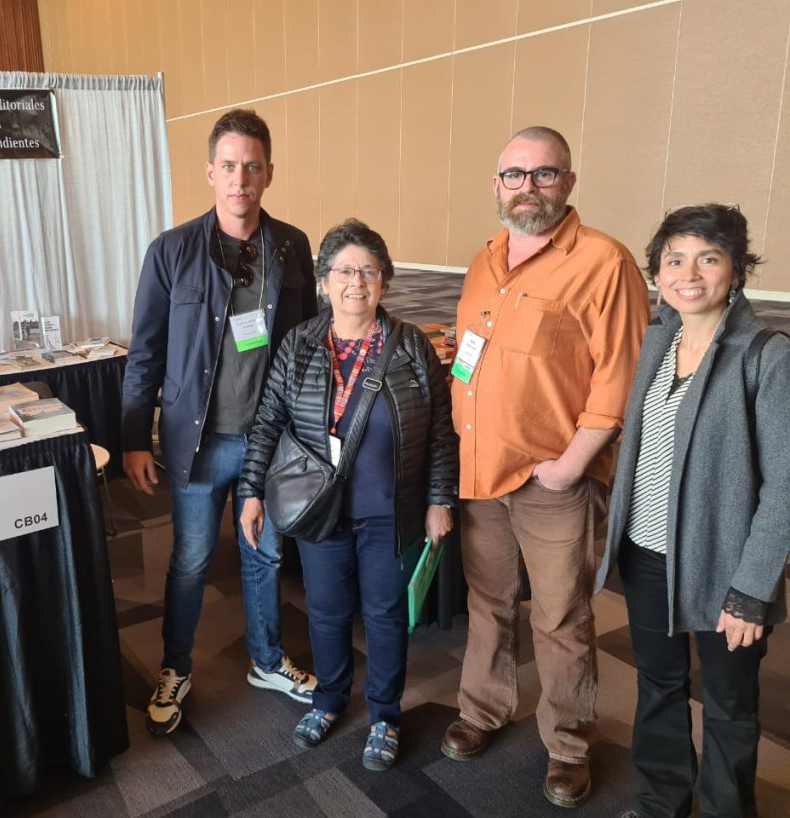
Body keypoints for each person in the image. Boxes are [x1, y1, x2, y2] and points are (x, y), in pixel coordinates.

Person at [442, 126, 650, 807]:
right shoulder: (484, 261)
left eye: (544, 174)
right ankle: (482, 709)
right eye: (515, 175)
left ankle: (567, 744)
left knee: (561, 618)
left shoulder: (604, 262)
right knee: (488, 605)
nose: (528, 187)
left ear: (569, 182)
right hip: (480, 474)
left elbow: (621, 378)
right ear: (495, 184)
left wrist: (570, 466)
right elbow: (470, 356)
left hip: (552, 481)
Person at [121, 108, 318, 737]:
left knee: (264, 555)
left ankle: (265, 659)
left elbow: (303, 346)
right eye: (229, 166)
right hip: (196, 442)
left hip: (268, 441)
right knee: (192, 560)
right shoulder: (172, 251)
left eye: (252, 167)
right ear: (210, 172)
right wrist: (133, 438)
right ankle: (175, 667)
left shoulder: (291, 246)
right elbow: (145, 350)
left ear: (269, 174)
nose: (241, 179)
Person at [238, 219, 459, 771]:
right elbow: (267, 422)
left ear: (384, 282)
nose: (355, 282)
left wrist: (439, 501)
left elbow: (439, 433)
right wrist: (251, 491)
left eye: (368, 271)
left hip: (391, 510)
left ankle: (385, 714)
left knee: (385, 616)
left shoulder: (412, 349)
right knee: (327, 612)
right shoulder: (300, 344)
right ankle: (330, 698)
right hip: (319, 507)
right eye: (344, 270)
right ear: (323, 281)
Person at [595, 204, 790, 818]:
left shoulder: (766, 354)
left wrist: (753, 591)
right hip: (649, 555)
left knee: (731, 707)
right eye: (675, 259)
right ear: (657, 271)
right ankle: (661, 803)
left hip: (725, 568)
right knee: (659, 686)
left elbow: (785, 485)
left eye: (709, 257)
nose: (690, 273)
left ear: (736, 270)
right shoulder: (660, 337)